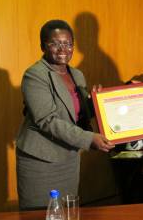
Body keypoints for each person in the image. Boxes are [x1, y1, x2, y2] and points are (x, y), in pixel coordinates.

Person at [16, 20, 114, 210]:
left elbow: (76, 113)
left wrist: (98, 102)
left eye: (68, 43)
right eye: (55, 43)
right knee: (41, 213)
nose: (63, 49)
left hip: (68, 158)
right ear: (43, 46)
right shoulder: (34, 75)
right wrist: (89, 139)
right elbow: (47, 120)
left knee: (66, 211)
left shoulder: (77, 75)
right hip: (41, 161)